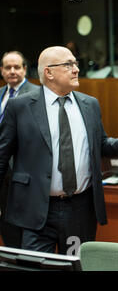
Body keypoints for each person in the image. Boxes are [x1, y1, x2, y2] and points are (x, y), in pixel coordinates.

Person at [0, 46, 118, 255]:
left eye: (75, 63)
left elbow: (101, 145)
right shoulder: (20, 107)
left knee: (75, 266)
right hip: (36, 211)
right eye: (68, 64)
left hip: (79, 210)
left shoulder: (89, 104)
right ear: (49, 72)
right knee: (36, 268)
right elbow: (2, 158)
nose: (76, 69)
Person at [0, 51, 39, 248]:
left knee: (25, 233)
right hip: (3, 174)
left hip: (24, 172)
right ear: (2, 70)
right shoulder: (0, 94)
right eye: (8, 67)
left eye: (17, 67)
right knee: (7, 228)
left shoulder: (36, 95)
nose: (12, 71)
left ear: (25, 69)